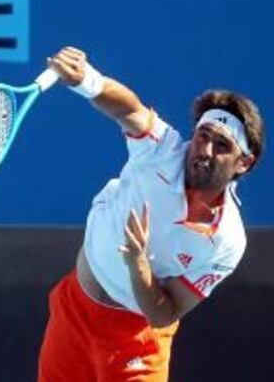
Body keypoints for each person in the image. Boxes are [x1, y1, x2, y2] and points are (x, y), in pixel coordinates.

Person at [37, 46, 265, 382]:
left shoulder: (226, 241)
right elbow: (130, 109)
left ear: (243, 163)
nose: (205, 150)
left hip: (136, 344)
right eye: (203, 136)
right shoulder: (163, 149)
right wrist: (87, 80)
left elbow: (164, 315)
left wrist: (138, 265)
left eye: (222, 145)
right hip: (73, 312)